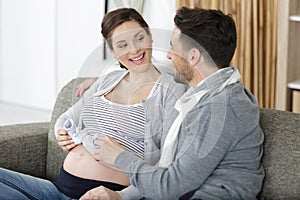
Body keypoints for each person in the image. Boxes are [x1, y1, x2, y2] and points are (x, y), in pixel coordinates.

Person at [0, 8, 187, 199]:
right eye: (122, 44)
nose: (134, 49)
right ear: (112, 50)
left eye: (139, 38)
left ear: (150, 36)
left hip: (103, 195)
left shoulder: (170, 89)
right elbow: (67, 118)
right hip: (56, 190)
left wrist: (121, 196)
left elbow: (167, 166)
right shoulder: (108, 80)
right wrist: (61, 132)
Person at [80, 7, 265, 200]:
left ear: (193, 56)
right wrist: (105, 79)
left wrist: (119, 157)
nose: (168, 55)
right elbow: (159, 69)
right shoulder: (212, 94)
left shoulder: (219, 110)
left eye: (172, 48)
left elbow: (170, 186)